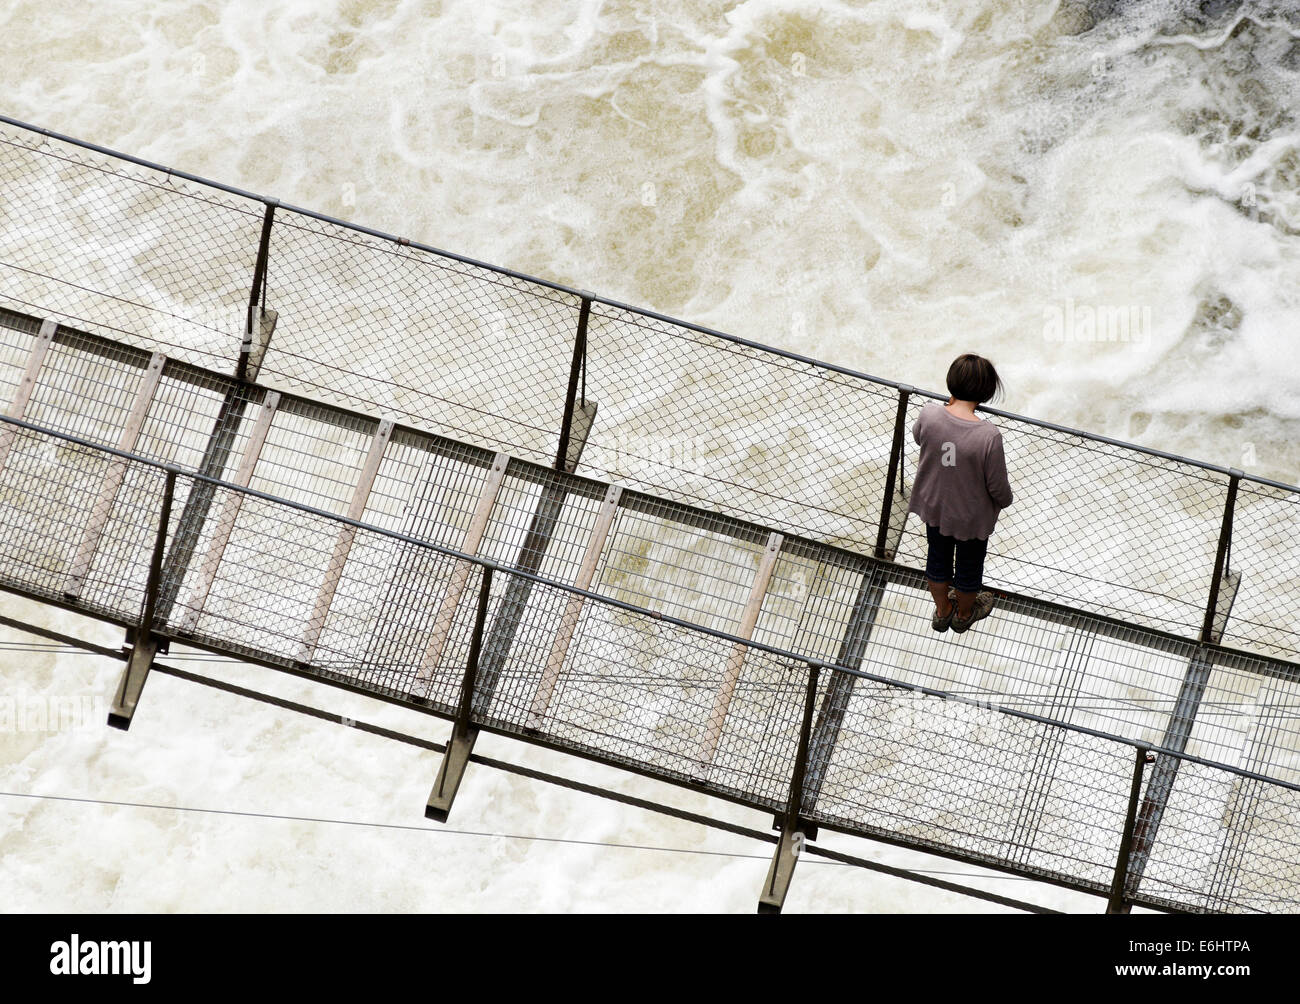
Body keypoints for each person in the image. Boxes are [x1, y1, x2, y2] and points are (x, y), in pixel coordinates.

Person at [907, 353, 1013, 634]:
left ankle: (943, 612)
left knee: (937, 560)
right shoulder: (988, 435)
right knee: (968, 570)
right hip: (969, 518)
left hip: (936, 507)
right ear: (986, 391)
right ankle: (964, 614)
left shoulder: (929, 414)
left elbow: (920, 437)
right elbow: (996, 485)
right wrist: (1005, 501)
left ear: (951, 382)